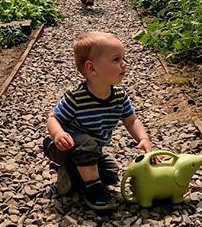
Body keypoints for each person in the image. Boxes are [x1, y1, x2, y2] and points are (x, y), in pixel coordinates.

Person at [42, 31, 154, 212]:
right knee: (87, 144)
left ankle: (72, 176)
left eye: (124, 58)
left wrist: (143, 138)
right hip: (63, 146)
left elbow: (131, 120)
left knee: (110, 174)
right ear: (92, 69)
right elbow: (53, 118)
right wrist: (58, 134)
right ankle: (93, 189)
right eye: (116, 59)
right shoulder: (77, 97)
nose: (124, 64)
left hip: (90, 149)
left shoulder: (119, 96)